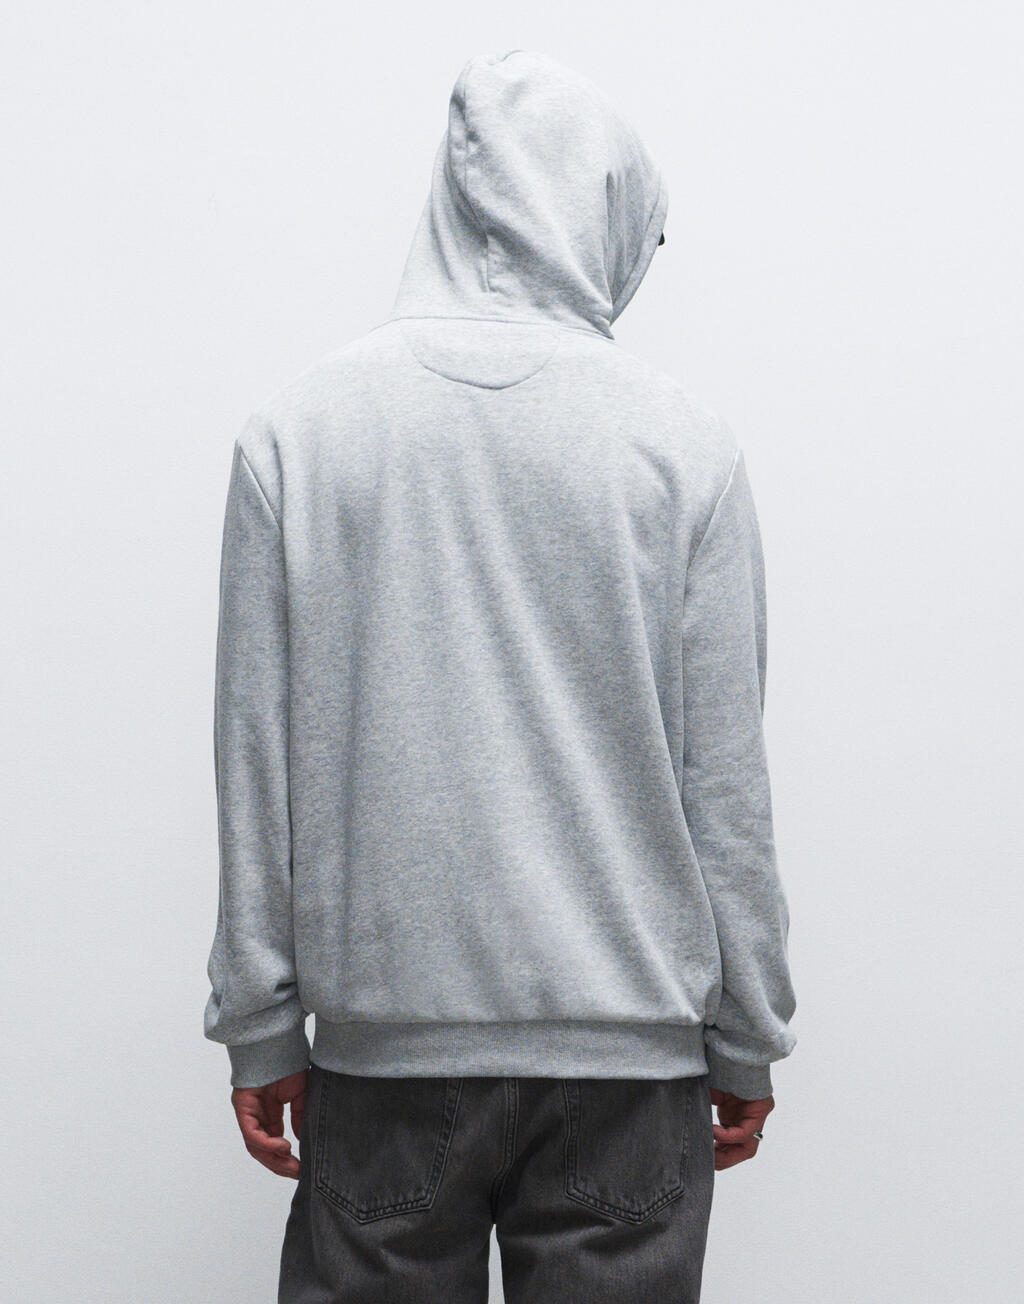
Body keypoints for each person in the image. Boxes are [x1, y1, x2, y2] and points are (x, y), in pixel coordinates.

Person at [204, 48, 797, 1304]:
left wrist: (259, 1018)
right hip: (627, 1068)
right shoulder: (682, 448)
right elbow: (725, 785)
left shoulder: (300, 434)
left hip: (386, 1058)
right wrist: (747, 1030)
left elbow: (257, 755)